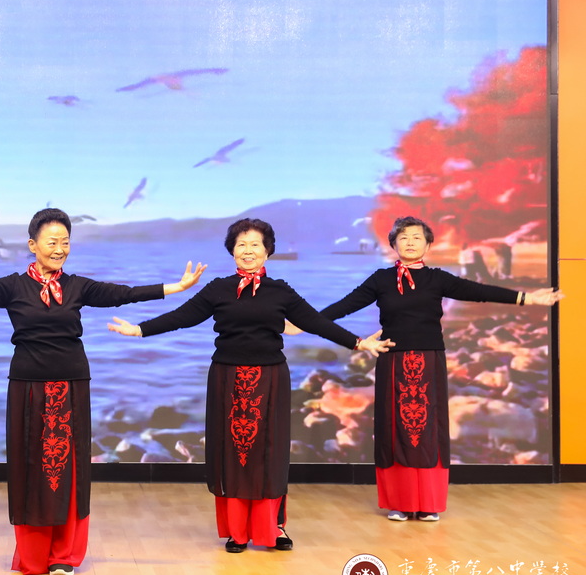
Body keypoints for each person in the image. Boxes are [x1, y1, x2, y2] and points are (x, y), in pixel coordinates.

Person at [0, 208, 206, 575]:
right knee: (30, 470)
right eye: (52, 241)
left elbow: (125, 294)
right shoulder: (12, 286)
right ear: (32, 245)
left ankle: (64, 555)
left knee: (68, 470)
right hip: (26, 387)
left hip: (71, 386)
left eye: (65, 242)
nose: (60, 249)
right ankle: (34, 555)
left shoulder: (78, 286)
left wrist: (176, 287)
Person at [107, 218, 391, 553]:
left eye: (255, 244)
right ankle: (237, 530)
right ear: (232, 251)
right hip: (227, 379)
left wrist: (358, 343)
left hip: (270, 379)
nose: (248, 250)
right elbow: (181, 317)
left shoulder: (281, 290)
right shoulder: (218, 289)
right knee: (233, 453)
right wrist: (139, 330)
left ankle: (274, 528)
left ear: (267, 251)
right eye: (241, 244)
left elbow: (315, 322)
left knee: (269, 454)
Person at [318, 216, 561, 522]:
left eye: (417, 237)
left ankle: (428, 502)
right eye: (403, 237)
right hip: (392, 362)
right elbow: (344, 306)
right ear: (393, 244)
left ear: (428, 245)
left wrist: (527, 298)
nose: (410, 242)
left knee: (428, 430)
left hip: (429, 362)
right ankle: (400, 503)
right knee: (395, 430)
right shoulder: (380, 279)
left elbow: (479, 291)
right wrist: (305, 324)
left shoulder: (437, 279)